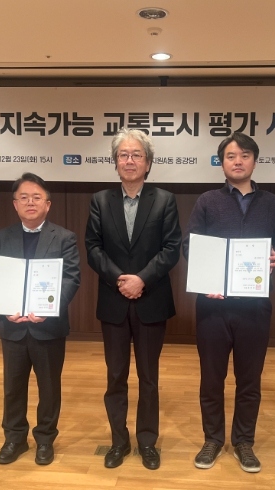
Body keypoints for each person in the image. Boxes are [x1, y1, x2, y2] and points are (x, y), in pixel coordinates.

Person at [183, 132, 275, 473]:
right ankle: (213, 439)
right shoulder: (207, 201)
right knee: (211, 379)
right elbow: (190, 246)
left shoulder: (271, 203)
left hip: (255, 306)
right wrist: (206, 279)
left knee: (249, 380)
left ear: (254, 161)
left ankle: (244, 441)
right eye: (231, 156)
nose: (238, 161)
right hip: (212, 307)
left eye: (245, 155)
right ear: (222, 163)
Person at [85, 128, 181, 470]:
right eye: (123, 155)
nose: (129, 160)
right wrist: (119, 279)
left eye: (136, 155)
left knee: (149, 378)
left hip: (151, 299)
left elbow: (172, 248)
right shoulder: (100, 200)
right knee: (115, 377)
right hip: (113, 302)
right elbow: (93, 248)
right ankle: (118, 441)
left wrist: (142, 279)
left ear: (148, 163)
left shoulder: (165, 200)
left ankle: (148, 442)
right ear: (115, 162)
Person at [0, 172, 80, 466]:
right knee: (13, 387)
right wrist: (4, 307)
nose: (30, 202)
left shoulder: (64, 237)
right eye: (24, 198)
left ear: (47, 204)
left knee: (49, 387)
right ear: (15, 204)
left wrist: (48, 309)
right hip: (13, 325)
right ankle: (14, 439)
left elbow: (71, 278)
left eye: (36, 197)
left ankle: (45, 439)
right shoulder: (1, 237)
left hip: (48, 326)